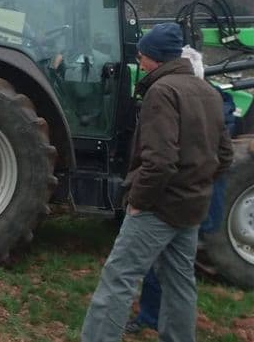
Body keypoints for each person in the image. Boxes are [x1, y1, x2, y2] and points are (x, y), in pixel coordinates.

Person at [80, 22, 233, 342]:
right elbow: (225, 156)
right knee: (179, 282)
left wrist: (138, 202)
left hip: (157, 207)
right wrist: (198, 185)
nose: (139, 58)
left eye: (143, 54)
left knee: (118, 278)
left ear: (157, 59)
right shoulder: (208, 92)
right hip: (191, 206)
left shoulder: (161, 92)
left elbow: (160, 161)